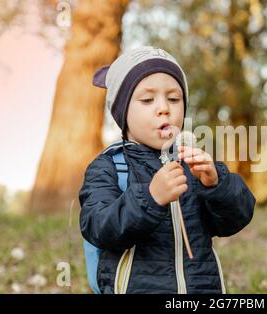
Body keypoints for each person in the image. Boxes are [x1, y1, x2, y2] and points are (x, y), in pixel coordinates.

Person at [79, 46, 256, 294]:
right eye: (147, 100)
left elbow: (235, 220)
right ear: (122, 112)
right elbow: (98, 227)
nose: (164, 108)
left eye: (174, 99)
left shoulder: (193, 163)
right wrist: (150, 199)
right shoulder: (109, 166)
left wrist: (216, 185)